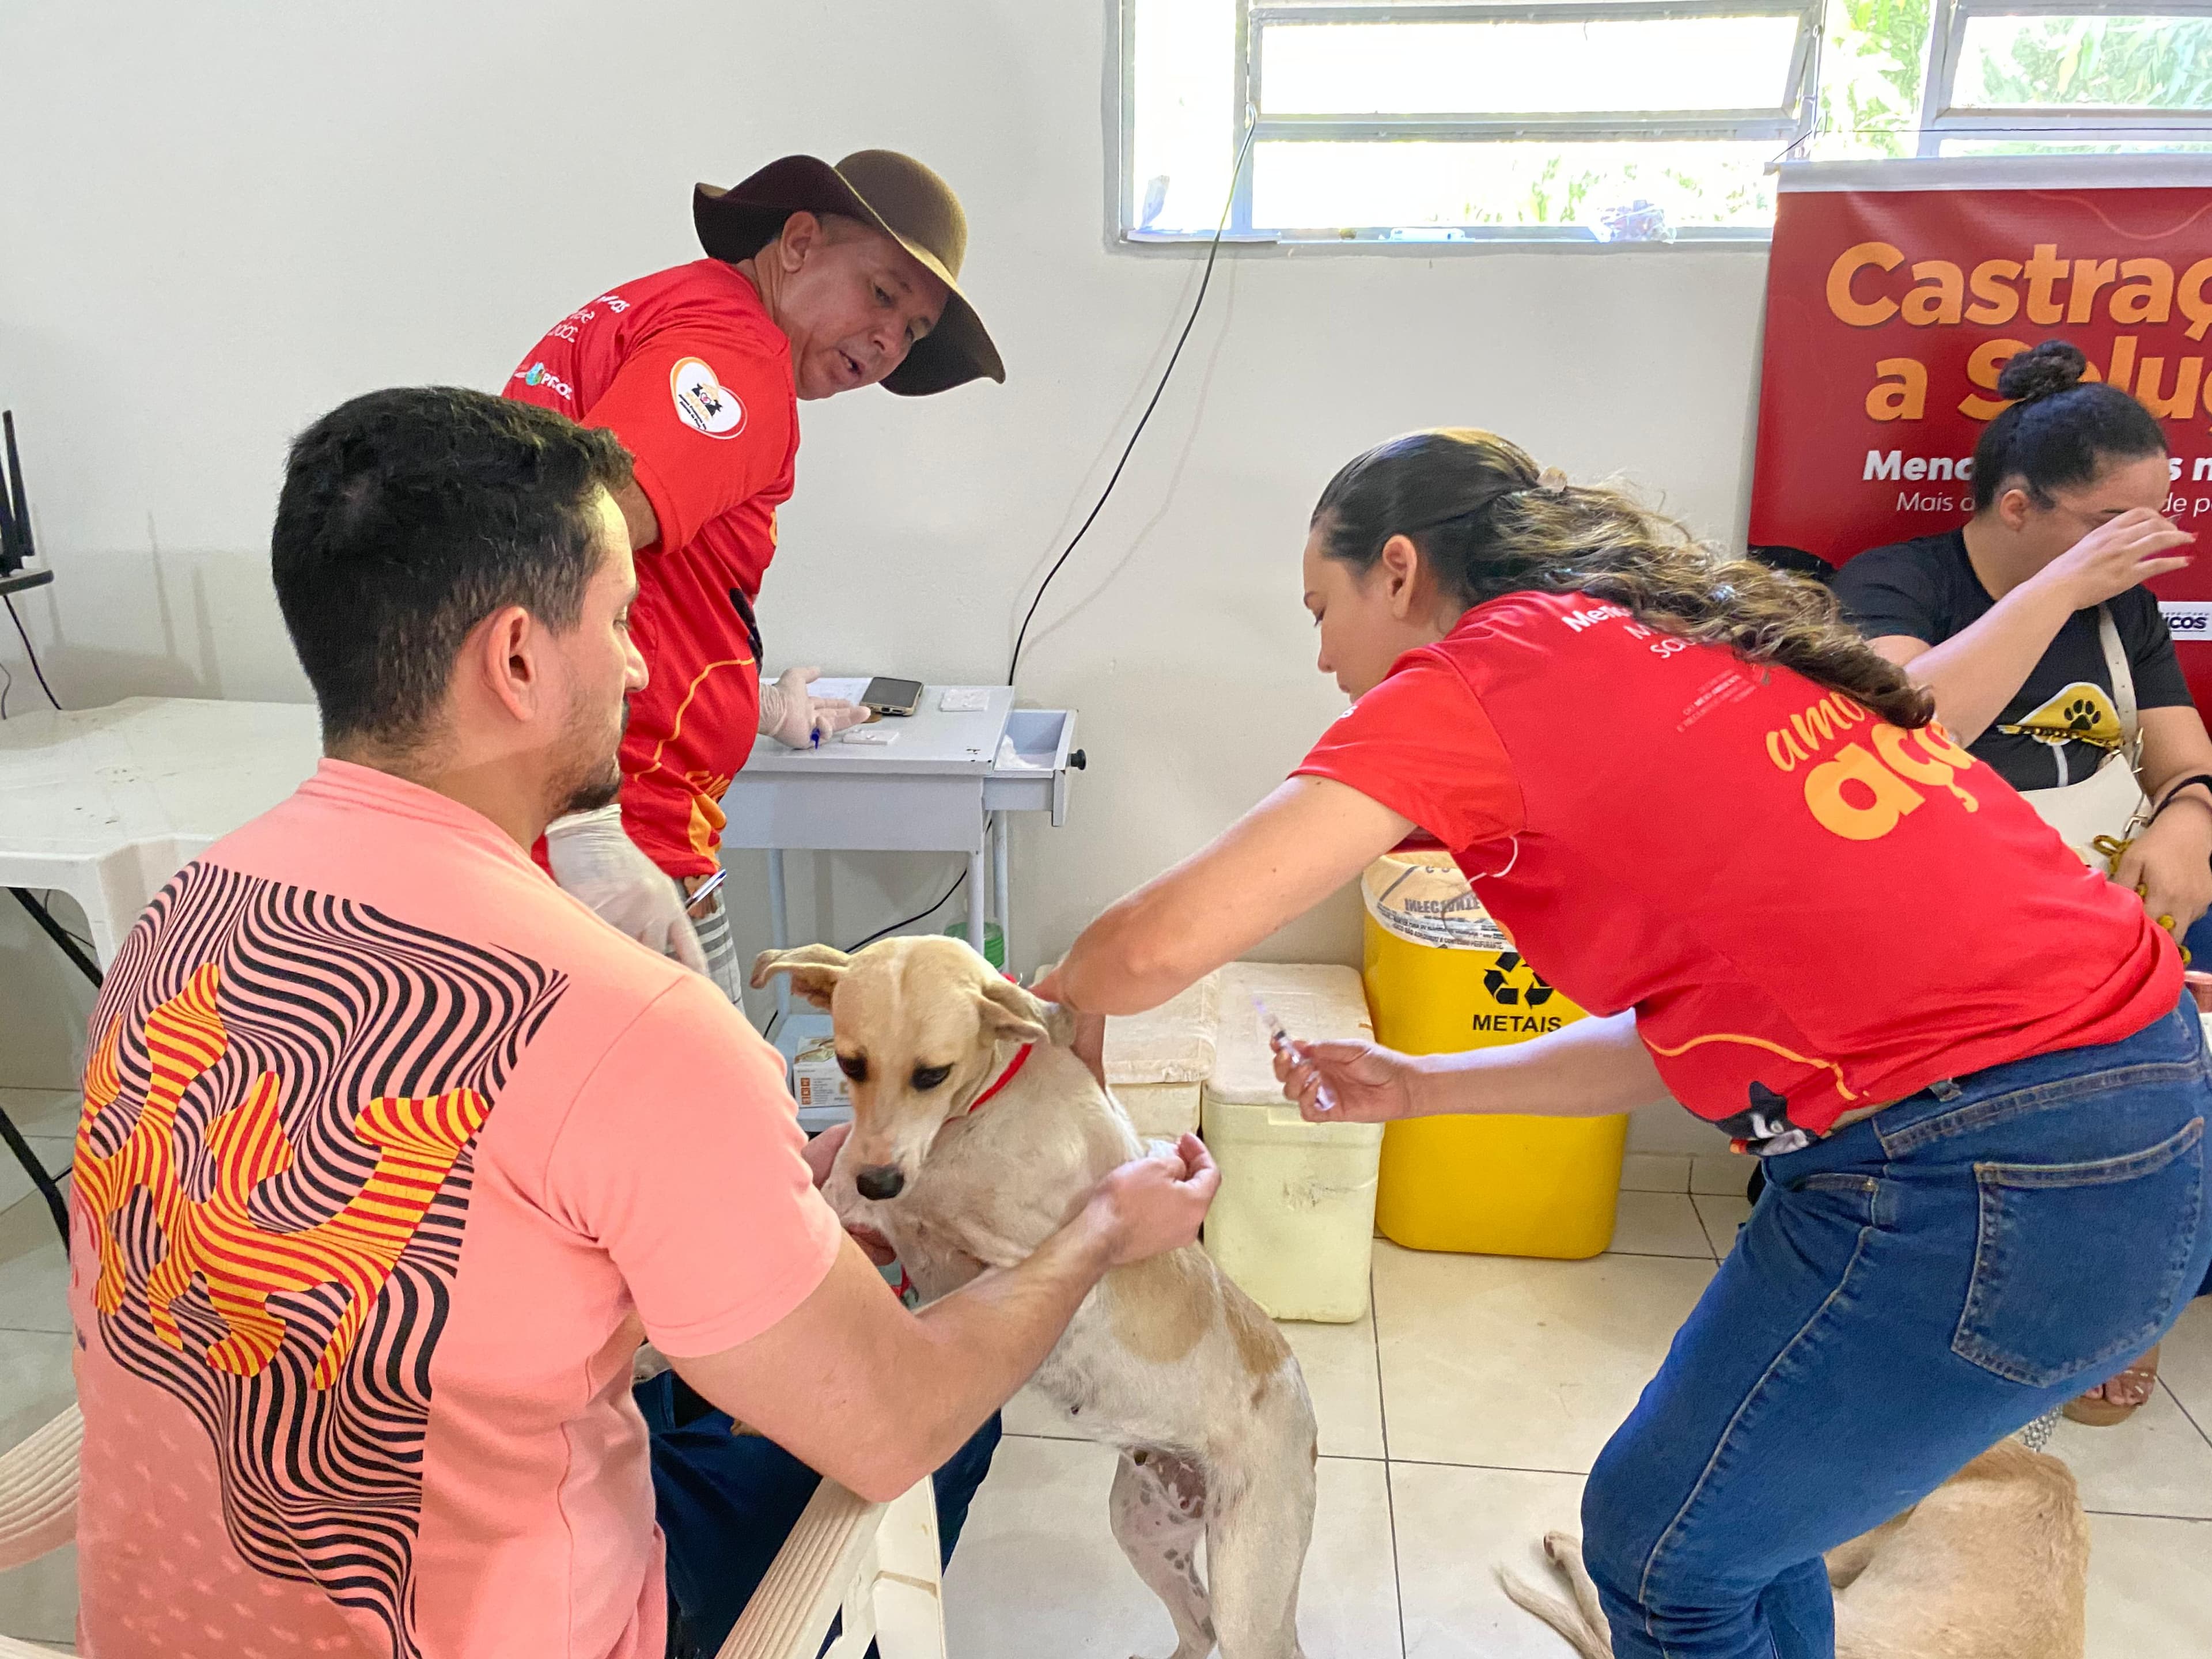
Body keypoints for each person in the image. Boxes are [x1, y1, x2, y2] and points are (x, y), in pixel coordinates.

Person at [66, 387, 1214, 1659]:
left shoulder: (170, 920)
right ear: (515, 659)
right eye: (619, 620)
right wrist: (1101, 1230)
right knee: (947, 1388)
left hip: (175, 1619)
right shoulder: (630, 1023)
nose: (637, 663)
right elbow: (894, 1421)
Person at [1037, 428, 2211, 1659]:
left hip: (1994, 1173)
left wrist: (1043, 994)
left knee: (1669, 1554)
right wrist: (1424, 1088)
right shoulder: (1690, 643)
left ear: (1398, 571)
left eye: (1324, 608)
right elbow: (1717, 1026)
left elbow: (1160, 944)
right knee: (1734, 1542)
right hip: (2132, 1113)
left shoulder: (1489, 670)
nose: (1326, 656)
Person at [505, 150, 1005, 995]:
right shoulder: (738, 356)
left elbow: (645, 582)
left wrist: (758, 705)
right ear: (800, 242)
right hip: (625, 840)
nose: (889, 343)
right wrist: (589, 823)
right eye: (882, 295)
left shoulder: (668, 309)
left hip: (573, 822)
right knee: (706, 1123)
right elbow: (564, 543)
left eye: (913, 333)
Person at [1830, 339, 2212, 1425]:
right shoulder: (1898, 582)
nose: (2140, 550)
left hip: (2106, 893)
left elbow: (2183, 754)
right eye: (2109, 525)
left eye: (2155, 521)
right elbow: (1912, 731)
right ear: (2015, 506)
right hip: (1948, 905)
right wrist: (2063, 591)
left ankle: (2130, 1300)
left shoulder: (2124, 608)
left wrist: (2191, 817)